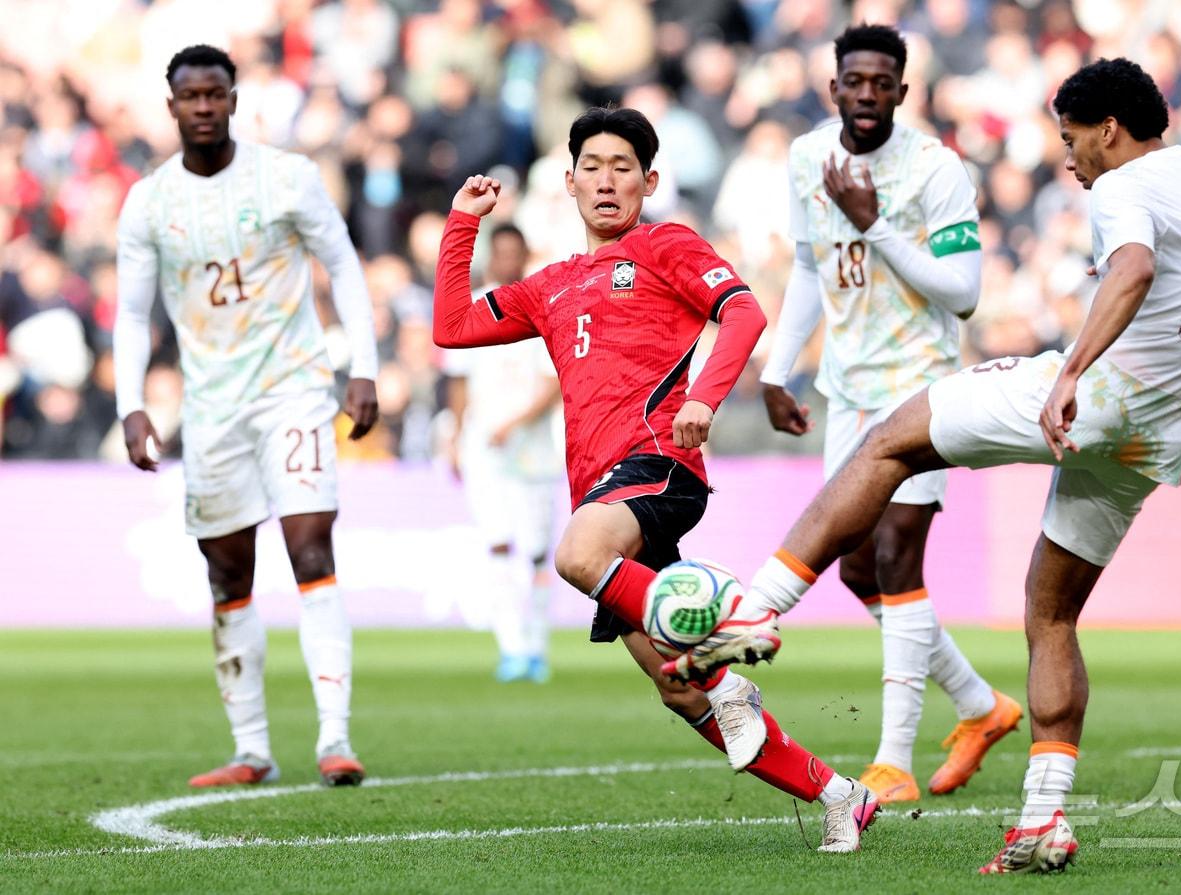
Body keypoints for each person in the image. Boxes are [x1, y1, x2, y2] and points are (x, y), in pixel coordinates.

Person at [668, 58, 1181, 873]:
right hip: (1163, 425)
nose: (1069, 160)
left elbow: (1135, 269)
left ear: (1109, 130)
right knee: (1051, 612)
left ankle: (756, 610)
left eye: (1073, 140)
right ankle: (1042, 819)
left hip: (1106, 390)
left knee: (887, 439)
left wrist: (1072, 371)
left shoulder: (1121, 185)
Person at [432, 107, 878, 853]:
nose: (607, 181)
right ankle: (839, 794)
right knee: (680, 687)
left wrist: (703, 396)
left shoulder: (665, 243)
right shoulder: (552, 285)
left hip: (656, 468)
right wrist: (461, 222)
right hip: (602, 495)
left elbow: (742, 313)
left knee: (575, 556)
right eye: (594, 168)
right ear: (569, 182)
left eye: (623, 167)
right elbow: (450, 327)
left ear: (650, 180)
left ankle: (730, 622)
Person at [761, 23, 1020, 805]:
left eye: (883, 83)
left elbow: (965, 292)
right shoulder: (808, 159)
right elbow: (811, 269)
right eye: (855, 81)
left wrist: (875, 221)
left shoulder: (936, 170)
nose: (868, 94)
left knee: (899, 555)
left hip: (923, 386)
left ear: (904, 93)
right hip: (849, 389)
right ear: (833, 87)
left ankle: (893, 760)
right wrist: (779, 368)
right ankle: (981, 706)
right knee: (856, 566)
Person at [114, 45, 380, 788]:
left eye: (215, 94)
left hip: (294, 389)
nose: (203, 106)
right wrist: (130, 403)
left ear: (234, 99)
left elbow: (346, 265)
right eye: (190, 96)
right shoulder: (150, 202)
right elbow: (133, 315)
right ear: (171, 107)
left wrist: (364, 369)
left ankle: (335, 737)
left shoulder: (286, 177)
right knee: (226, 571)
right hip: (211, 408)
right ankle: (252, 749)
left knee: (310, 547)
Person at [444, 223, 564, 684]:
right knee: (496, 544)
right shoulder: (473, 308)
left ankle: (536, 646)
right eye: (501, 252)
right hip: (484, 449)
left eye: (516, 252)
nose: (508, 260)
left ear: (525, 253)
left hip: (530, 450)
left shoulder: (541, 310)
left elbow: (553, 384)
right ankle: (511, 647)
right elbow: (457, 378)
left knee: (535, 551)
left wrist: (514, 423)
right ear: (492, 257)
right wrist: (456, 434)